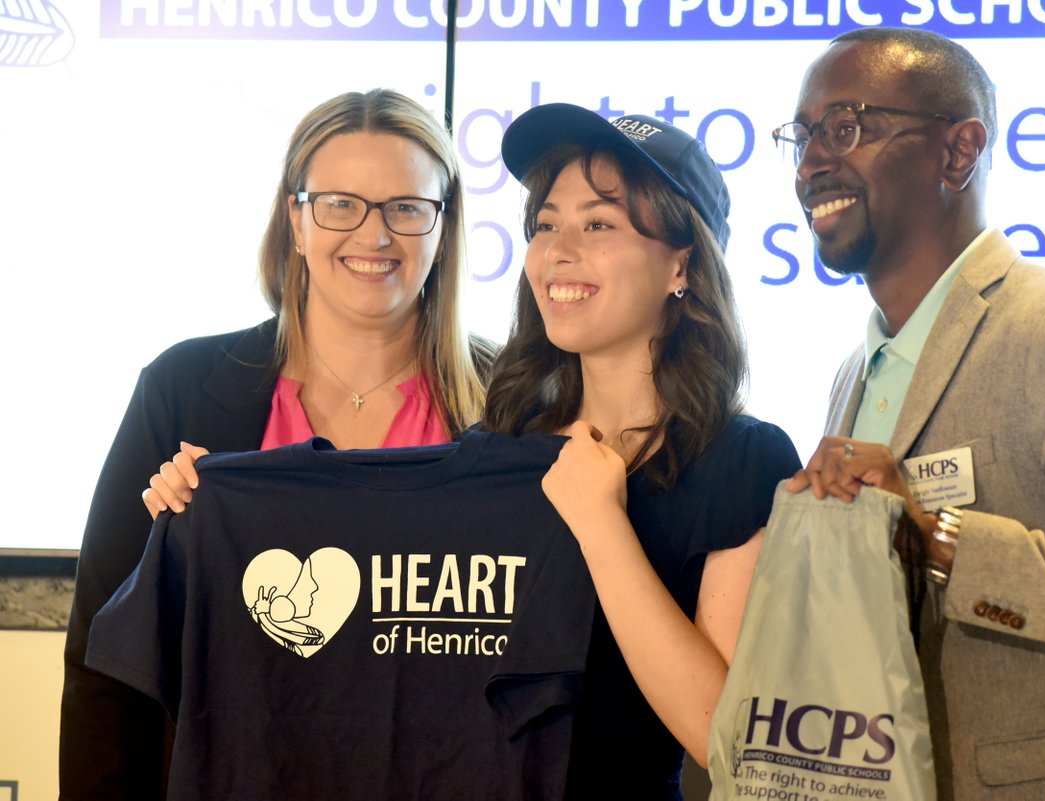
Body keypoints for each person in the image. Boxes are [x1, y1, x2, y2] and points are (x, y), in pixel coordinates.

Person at [781, 28, 1045, 800]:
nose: (810, 164)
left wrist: (939, 537)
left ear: (958, 151)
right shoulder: (852, 373)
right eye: (801, 138)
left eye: (845, 128)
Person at [60, 88, 492, 799]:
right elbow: (105, 658)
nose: (374, 235)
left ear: (444, 227)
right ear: (295, 219)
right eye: (339, 203)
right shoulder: (182, 391)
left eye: (407, 208)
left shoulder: (518, 406)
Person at [484, 104, 801, 799]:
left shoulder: (744, 460)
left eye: (598, 223)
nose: (558, 250)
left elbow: (725, 735)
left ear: (681, 264)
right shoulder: (501, 440)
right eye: (546, 224)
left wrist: (602, 523)